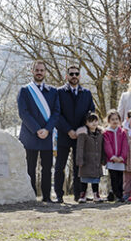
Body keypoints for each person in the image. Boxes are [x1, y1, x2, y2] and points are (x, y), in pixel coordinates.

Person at [17, 60, 60, 202]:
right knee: (30, 168)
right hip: (30, 135)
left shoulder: (53, 91)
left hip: (47, 136)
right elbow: (23, 113)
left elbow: (56, 112)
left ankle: (47, 196)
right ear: (32, 71)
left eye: (42, 70)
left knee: (47, 169)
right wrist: (37, 130)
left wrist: (47, 129)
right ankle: (31, 196)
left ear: (45, 72)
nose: (39, 72)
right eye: (37, 70)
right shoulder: (25, 90)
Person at [54, 65, 95, 203]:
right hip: (64, 135)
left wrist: (82, 129)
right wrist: (68, 130)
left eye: (76, 73)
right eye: (71, 73)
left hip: (81, 136)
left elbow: (91, 114)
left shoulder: (87, 93)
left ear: (80, 76)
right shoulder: (58, 92)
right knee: (60, 166)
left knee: (79, 166)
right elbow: (56, 114)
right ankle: (59, 195)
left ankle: (79, 195)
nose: (74, 76)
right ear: (66, 76)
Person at [75, 112, 105, 203]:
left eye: (96, 121)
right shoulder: (83, 134)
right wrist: (79, 159)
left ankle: (96, 195)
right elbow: (79, 148)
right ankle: (83, 195)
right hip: (86, 160)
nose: (94, 123)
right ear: (86, 123)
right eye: (91, 121)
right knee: (84, 178)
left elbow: (103, 147)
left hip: (97, 160)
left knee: (96, 179)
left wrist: (103, 159)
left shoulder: (100, 134)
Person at [103, 109, 128, 204]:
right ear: (108, 120)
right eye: (112, 119)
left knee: (120, 178)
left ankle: (120, 194)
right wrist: (112, 156)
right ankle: (116, 194)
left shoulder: (123, 132)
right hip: (112, 160)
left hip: (121, 160)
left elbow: (125, 145)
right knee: (113, 178)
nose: (115, 121)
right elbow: (107, 145)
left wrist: (122, 157)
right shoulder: (106, 133)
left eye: (116, 119)